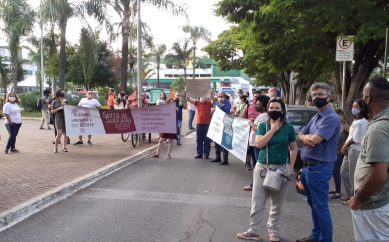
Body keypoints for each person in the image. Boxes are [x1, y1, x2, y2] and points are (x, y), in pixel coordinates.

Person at [237, 97, 297, 242]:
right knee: (258, 202)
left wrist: (291, 168)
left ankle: (273, 231)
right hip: (263, 168)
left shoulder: (288, 128)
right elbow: (259, 144)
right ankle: (254, 231)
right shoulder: (263, 125)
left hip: (281, 170)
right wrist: (272, 130)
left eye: (277, 108)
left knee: (277, 204)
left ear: (282, 110)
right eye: (271, 108)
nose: (274, 111)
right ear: (268, 110)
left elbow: (293, 148)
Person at [296, 82, 341, 242]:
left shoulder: (331, 117)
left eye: (320, 94)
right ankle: (316, 236)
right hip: (308, 168)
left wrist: (307, 138)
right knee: (314, 206)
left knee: (320, 207)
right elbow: (301, 134)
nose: (316, 97)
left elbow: (315, 140)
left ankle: (325, 239)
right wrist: (304, 137)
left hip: (319, 168)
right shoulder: (316, 116)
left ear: (329, 97)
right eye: (314, 95)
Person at [347, 77, 389, 241]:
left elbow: (379, 175)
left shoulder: (378, 128)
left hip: (374, 205)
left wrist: (358, 199)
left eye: (364, 97)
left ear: (368, 98)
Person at [340, 99, 368, 203]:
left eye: (356, 107)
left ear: (362, 108)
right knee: (343, 172)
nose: (354, 109)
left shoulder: (362, 122)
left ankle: (353, 198)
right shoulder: (356, 121)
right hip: (350, 149)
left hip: (355, 150)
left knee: (353, 175)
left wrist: (345, 146)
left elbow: (355, 139)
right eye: (353, 106)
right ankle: (350, 194)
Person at [244, 95, 270, 191]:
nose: (255, 106)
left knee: (258, 165)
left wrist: (251, 123)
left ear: (264, 105)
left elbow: (259, 129)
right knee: (257, 165)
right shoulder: (262, 115)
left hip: (258, 144)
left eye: (258, 104)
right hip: (256, 144)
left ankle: (255, 185)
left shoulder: (264, 116)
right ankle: (255, 184)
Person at [329, 109, 349, 199]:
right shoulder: (334, 125)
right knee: (334, 171)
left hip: (340, 151)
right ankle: (336, 189)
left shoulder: (346, 126)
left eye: (339, 115)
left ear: (342, 116)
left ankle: (338, 192)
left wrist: (346, 145)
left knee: (335, 170)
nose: (337, 117)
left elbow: (353, 136)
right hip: (332, 151)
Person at [210, 92, 231, 165]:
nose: (220, 98)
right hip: (217, 124)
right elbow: (212, 111)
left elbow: (227, 111)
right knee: (216, 141)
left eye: (221, 96)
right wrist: (212, 111)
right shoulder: (215, 103)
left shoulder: (227, 103)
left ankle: (225, 159)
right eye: (219, 96)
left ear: (224, 97)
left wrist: (222, 105)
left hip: (225, 125)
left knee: (224, 142)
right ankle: (218, 157)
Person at [51, 89, 69, 153]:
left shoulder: (66, 101)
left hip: (66, 118)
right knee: (59, 134)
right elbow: (52, 111)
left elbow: (70, 110)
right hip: (58, 118)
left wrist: (66, 107)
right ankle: (55, 148)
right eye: (62, 91)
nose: (63, 92)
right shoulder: (54, 102)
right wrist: (59, 108)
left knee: (66, 134)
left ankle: (64, 147)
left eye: (64, 92)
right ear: (58, 93)